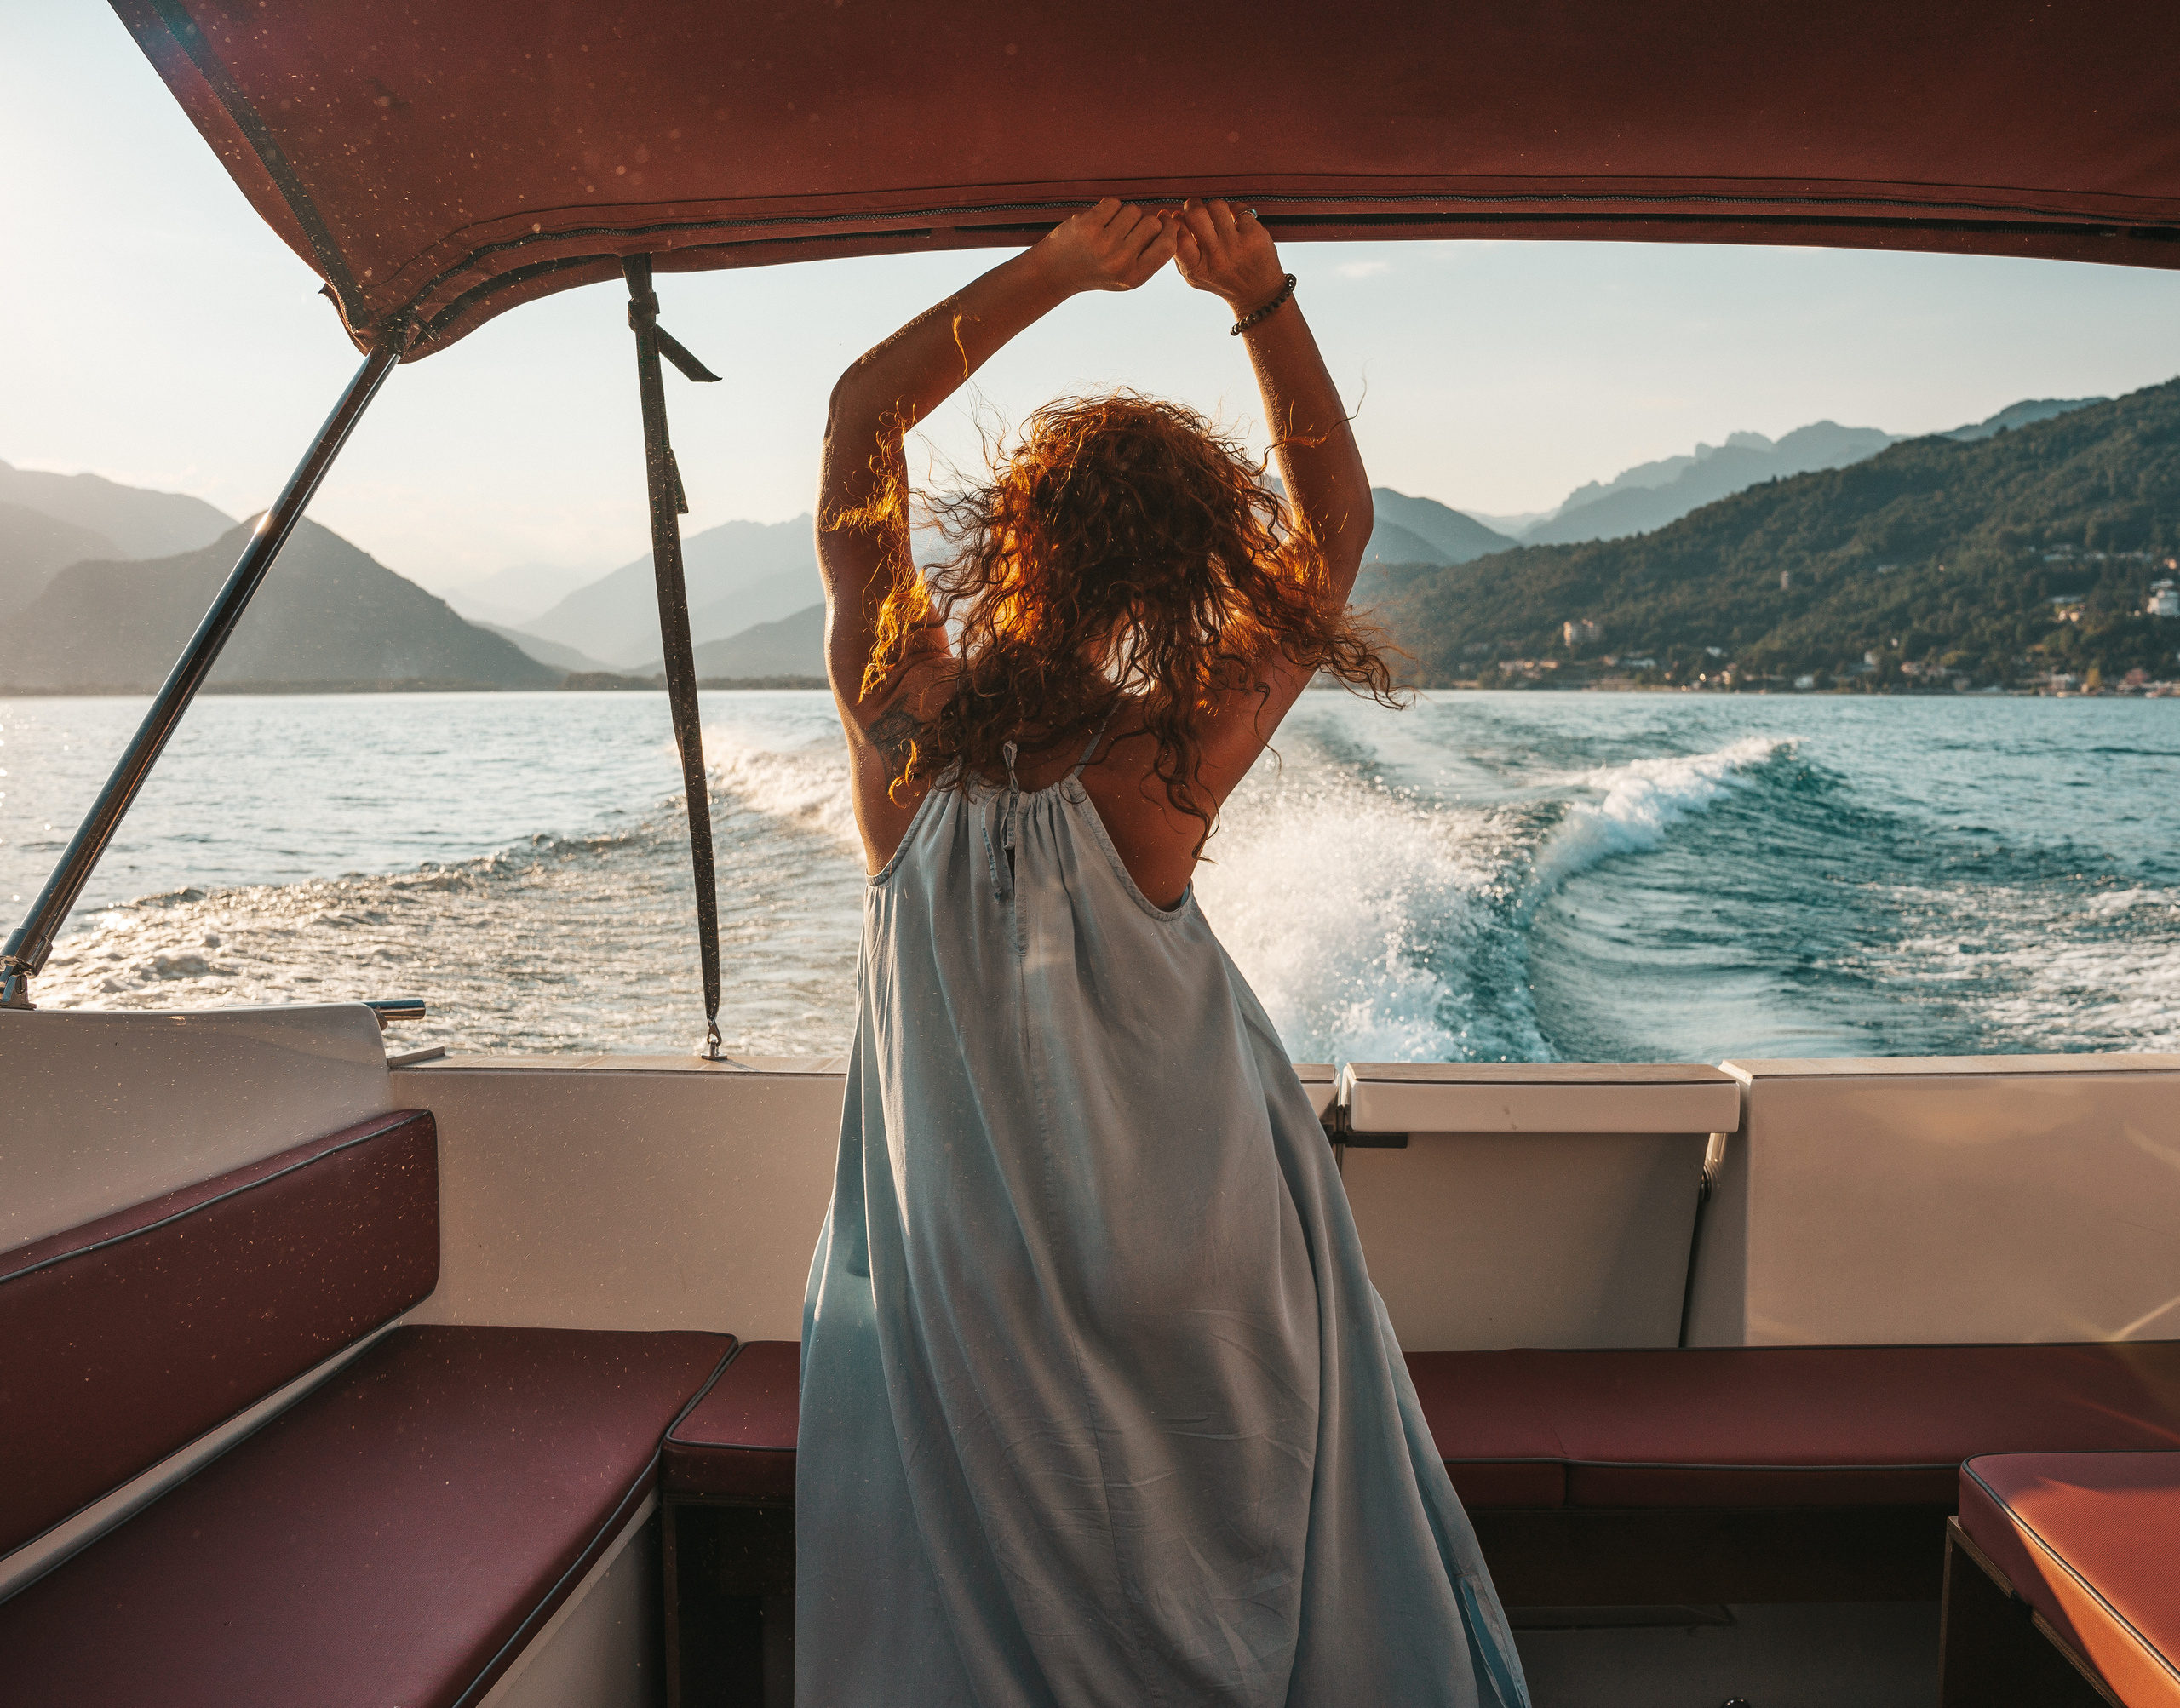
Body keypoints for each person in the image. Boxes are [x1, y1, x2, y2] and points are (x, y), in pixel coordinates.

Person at [799, 197, 1529, 1707]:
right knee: (1216, 1617)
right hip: (1196, 1267)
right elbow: (1335, 532)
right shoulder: (1166, 765)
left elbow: (863, 417)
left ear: (1003, 538)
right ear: (1179, 573)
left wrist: (1064, 269)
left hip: (968, 1287)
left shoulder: (901, 742)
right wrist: (1258, 293)